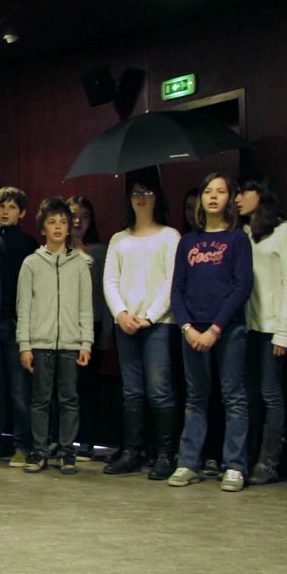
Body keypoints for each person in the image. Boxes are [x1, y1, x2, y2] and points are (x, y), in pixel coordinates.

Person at [169, 173, 254, 492]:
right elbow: (177, 290)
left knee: (233, 396)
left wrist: (216, 328)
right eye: (208, 191)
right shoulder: (188, 241)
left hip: (227, 329)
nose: (213, 196)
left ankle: (234, 465)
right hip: (192, 329)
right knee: (195, 397)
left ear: (230, 199)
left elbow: (241, 286)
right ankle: (188, 462)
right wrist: (188, 327)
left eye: (221, 191)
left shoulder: (237, 239)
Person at [101, 179, 182, 478]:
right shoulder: (119, 239)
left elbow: (172, 282)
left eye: (147, 192)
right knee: (132, 392)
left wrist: (149, 316)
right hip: (126, 324)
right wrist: (121, 314)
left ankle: (164, 454)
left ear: (157, 197)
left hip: (159, 324)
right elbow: (109, 281)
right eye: (135, 193)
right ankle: (132, 451)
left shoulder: (170, 236)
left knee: (159, 390)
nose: (141, 198)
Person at [17, 198, 93, 474]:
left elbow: (86, 306)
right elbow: (23, 307)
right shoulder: (31, 263)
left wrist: (86, 342)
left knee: (69, 398)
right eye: (52, 222)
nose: (58, 227)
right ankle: (39, 449)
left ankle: (66, 449)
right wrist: (24, 344)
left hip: (71, 343)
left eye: (63, 222)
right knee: (39, 399)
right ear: (43, 228)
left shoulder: (80, 263)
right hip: (40, 341)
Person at [237, 179, 287, 485]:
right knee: (248, 394)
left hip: (273, 326)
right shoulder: (245, 233)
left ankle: (268, 461)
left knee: (270, 393)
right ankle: (247, 456)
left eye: (242, 192)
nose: (237, 199)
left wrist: (283, 331)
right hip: (249, 326)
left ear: (259, 194)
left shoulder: (283, 231)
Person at [0, 186, 36, 464]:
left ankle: (22, 445)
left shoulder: (29, 245)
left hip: (17, 322)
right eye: (1, 206)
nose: (5, 211)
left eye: (12, 207)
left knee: (19, 389)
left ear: (22, 212)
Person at [67, 194, 111, 456]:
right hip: (62, 327)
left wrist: (107, 330)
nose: (78, 221)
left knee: (88, 387)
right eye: (73, 215)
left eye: (84, 216)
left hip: (92, 326)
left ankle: (87, 440)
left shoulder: (100, 251)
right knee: (64, 388)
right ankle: (64, 439)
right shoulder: (57, 250)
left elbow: (105, 294)